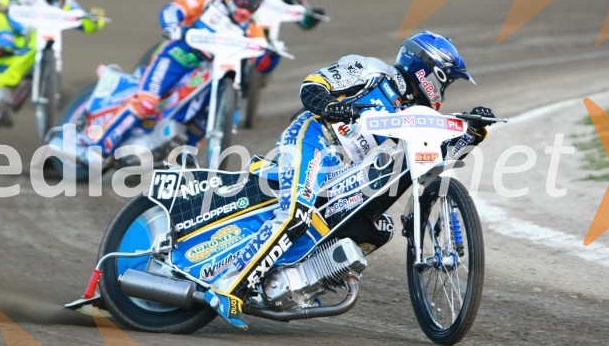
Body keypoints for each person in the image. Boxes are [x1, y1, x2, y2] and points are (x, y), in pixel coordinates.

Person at [205, 31, 496, 328]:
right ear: (425, 69)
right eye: (444, 81)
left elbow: (431, 166)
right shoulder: (370, 71)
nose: (442, 92)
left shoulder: (415, 115)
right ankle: (228, 286)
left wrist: (472, 135)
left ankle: (300, 275)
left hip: (344, 172)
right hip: (314, 140)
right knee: (296, 213)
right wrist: (331, 106)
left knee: (378, 228)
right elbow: (313, 85)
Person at [91, 0, 280, 155]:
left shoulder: (251, 26)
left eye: (255, 2)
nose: (248, 7)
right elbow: (173, 9)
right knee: (146, 103)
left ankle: (183, 161)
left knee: (202, 121)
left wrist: (272, 56)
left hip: (208, 73)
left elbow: (261, 62)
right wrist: (172, 26)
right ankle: (99, 147)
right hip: (177, 57)